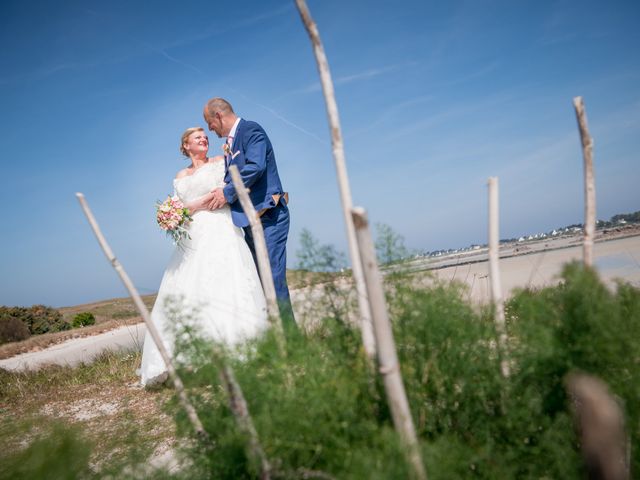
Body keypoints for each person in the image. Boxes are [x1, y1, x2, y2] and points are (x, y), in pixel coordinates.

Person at [139, 127, 268, 387]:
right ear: (186, 146)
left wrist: (193, 206)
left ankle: (237, 353)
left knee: (227, 282)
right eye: (198, 137)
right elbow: (178, 207)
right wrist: (178, 212)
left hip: (221, 227)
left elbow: (225, 190)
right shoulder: (180, 175)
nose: (204, 139)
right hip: (194, 235)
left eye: (205, 136)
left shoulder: (221, 162)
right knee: (190, 288)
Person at [203, 98, 295, 327]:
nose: (209, 129)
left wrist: (227, 192)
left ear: (218, 116)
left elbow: (255, 166)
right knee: (259, 282)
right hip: (250, 223)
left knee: (273, 279)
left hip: (269, 217)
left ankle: (292, 342)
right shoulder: (230, 145)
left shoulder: (251, 130)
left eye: (209, 123)